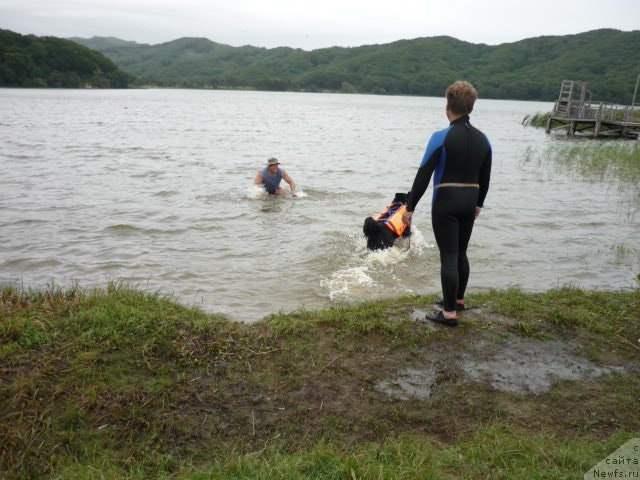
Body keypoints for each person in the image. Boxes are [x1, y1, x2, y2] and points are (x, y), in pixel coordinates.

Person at [402, 80, 492, 327]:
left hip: (446, 201)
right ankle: (458, 300)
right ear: (470, 107)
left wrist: (409, 208)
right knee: (461, 252)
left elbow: (423, 175)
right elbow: (485, 176)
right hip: (470, 201)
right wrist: (478, 204)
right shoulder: (484, 140)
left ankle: (449, 313)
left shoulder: (440, 137)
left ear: (448, 107)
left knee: (449, 256)